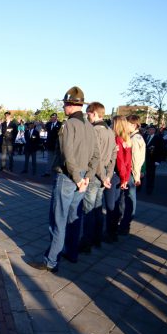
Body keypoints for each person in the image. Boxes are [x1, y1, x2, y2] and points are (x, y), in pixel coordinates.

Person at [28, 86, 97, 272]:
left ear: (70, 105)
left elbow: (67, 154)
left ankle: (51, 261)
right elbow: (96, 156)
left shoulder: (68, 125)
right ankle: (71, 252)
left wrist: (76, 178)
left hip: (68, 176)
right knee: (74, 217)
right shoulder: (90, 127)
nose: (64, 108)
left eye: (65, 104)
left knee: (58, 220)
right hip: (82, 178)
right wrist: (87, 178)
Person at [79, 102, 115, 252]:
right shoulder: (109, 130)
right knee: (98, 208)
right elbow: (114, 155)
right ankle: (97, 239)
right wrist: (108, 175)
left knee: (88, 209)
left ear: (93, 113)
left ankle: (86, 242)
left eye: (88, 114)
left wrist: (102, 176)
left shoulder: (94, 131)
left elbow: (96, 157)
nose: (87, 117)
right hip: (104, 173)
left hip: (94, 174)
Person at [106, 116, 133, 242]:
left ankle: (110, 234)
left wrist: (123, 178)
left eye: (112, 123)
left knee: (111, 206)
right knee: (116, 205)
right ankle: (113, 232)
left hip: (115, 175)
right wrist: (126, 178)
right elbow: (128, 163)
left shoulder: (117, 139)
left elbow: (121, 162)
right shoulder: (126, 140)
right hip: (122, 176)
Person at [144, 125, 165, 194]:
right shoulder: (145, 136)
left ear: (155, 130)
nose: (150, 131)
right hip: (144, 159)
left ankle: (149, 189)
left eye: (152, 129)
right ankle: (138, 187)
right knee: (141, 174)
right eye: (149, 129)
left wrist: (158, 160)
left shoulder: (158, 138)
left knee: (151, 176)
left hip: (152, 160)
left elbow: (161, 150)